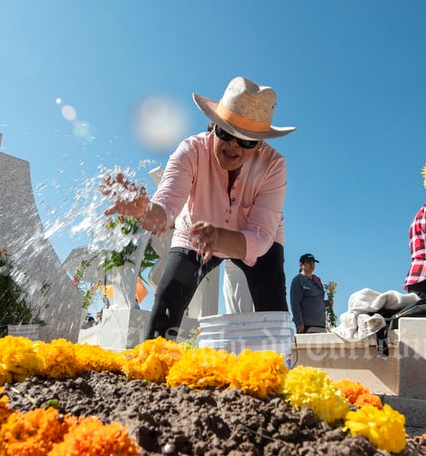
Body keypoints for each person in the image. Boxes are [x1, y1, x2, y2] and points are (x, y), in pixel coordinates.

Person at [102, 76, 295, 339]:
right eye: (225, 133)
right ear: (213, 125)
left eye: (246, 141)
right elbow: (166, 208)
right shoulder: (191, 150)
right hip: (195, 235)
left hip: (254, 238)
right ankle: (153, 365)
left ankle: (280, 365)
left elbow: (261, 238)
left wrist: (220, 238)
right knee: (167, 303)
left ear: (260, 143)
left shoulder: (274, 165)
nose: (232, 146)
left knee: (273, 310)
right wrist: (147, 211)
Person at [290, 253, 330, 333]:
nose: (311, 265)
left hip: (321, 324)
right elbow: (295, 304)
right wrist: (299, 323)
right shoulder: (298, 280)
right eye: (308, 263)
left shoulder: (317, 280)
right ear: (301, 264)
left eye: (313, 263)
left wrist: (326, 303)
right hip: (306, 325)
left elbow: (315, 301)